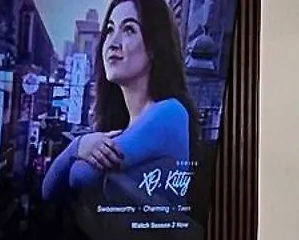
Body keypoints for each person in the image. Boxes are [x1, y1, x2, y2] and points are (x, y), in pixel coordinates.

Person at [41, 0, 196, 209]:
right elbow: (47, 191)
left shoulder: (170, 113)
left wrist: (78, 149)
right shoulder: (124, 125)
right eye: (110, 30)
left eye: (129, 29)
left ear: (154, 47)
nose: (113, 43)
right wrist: (77, 146)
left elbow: (82, 174)